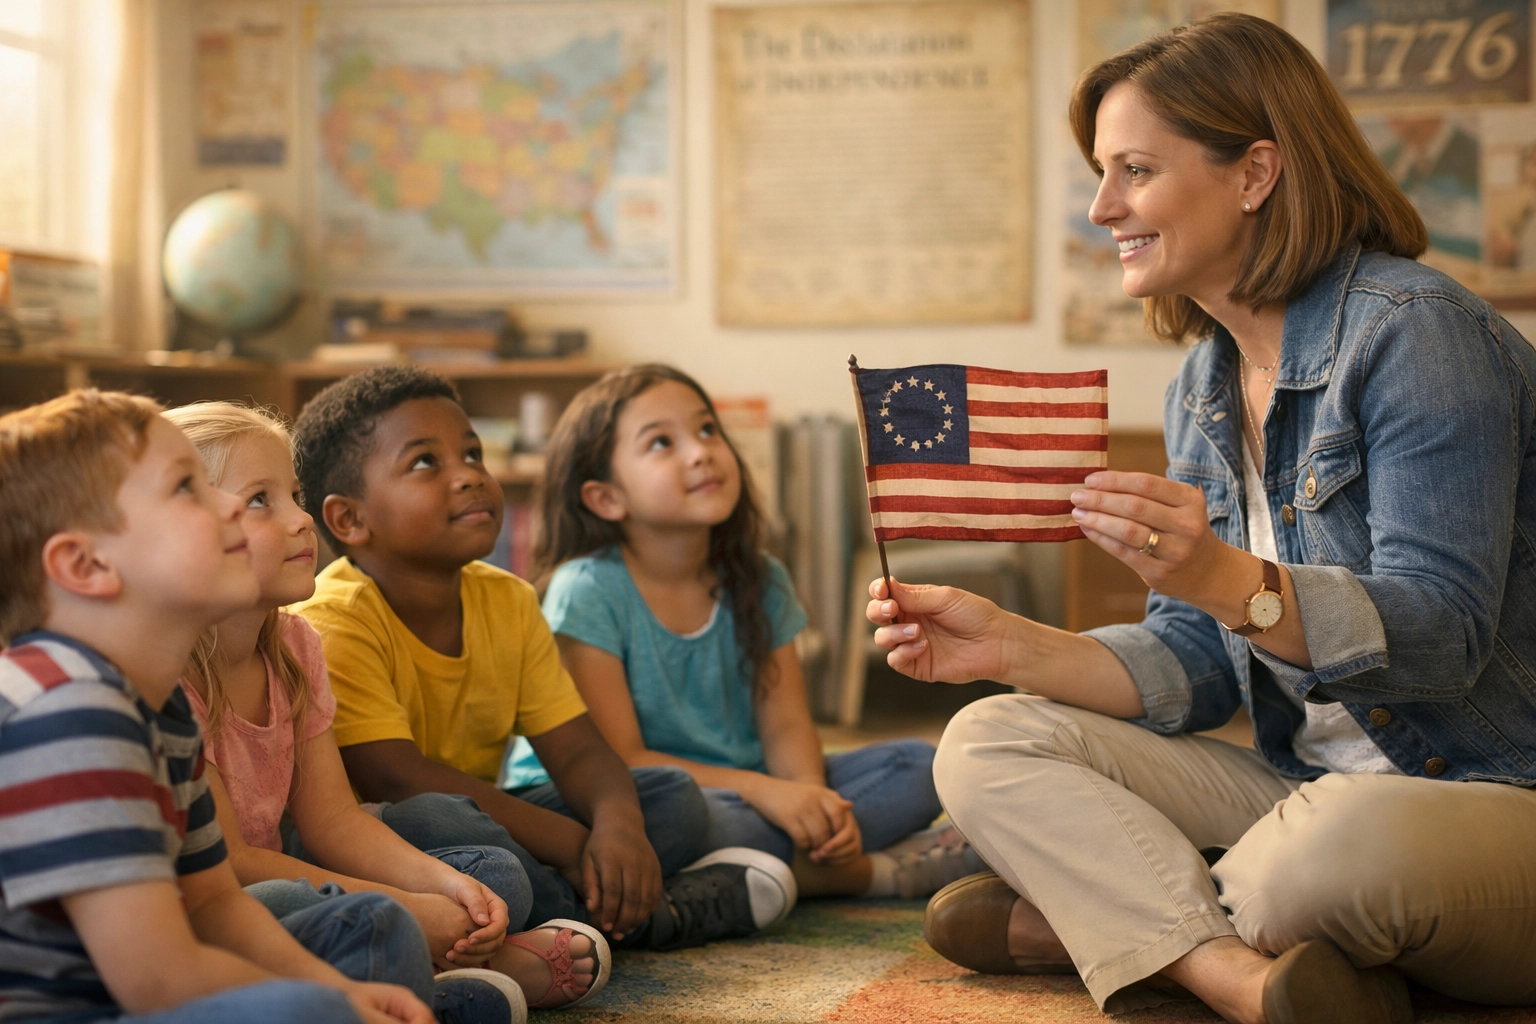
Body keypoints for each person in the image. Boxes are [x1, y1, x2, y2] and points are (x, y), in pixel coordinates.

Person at [868, 15, 1536, 1024]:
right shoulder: (1204, 384)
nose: (1102, 208)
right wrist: (1007, 644)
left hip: (1489, 795)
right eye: (1102, 173)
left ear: (1254, 173)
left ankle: (1100, 920)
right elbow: (1194, 660)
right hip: (1301, 790)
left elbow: (1445, 637)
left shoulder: (1416, 334)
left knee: (1309, 866)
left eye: (1133, 169)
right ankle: (1243, 976)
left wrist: (1229, 579)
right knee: (984, 741)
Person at [0, 390, 474, 1024]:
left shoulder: (159, 701)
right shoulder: (68, 712)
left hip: (138, 987)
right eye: (187, 489)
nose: (229, 506)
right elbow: (158, 981)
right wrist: (326, 1004)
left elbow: (214, 904)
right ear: (87, 564)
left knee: (351, 952)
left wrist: (335, 992)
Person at [289, 366, 795, 954]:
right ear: (350, 519)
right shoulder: (333, 618)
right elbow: (395, 778)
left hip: (495, 821)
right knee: (452, 829)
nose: (469, 477)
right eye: (426, 462)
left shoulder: (508, 598)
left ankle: (580, 915)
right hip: (395, 840)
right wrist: (575, 842)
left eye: (473, 454)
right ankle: (653, 915)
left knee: (671, 799)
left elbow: (579, 749)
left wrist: (618, 827)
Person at [164, 400, 609, 1012]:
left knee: (491, 877)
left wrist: (446, 887)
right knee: (313, 910)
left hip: (297, 867)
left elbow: (334, 822)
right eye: (261, 500)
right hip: (217, 903)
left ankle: (431, 961)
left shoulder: (296, 647)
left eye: (294, 495)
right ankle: (443, 981)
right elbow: (233, 865)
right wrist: (402, 904)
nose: (301, 521)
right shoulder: (171, 678)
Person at [504, 364, 980, 900]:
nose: (700, 451)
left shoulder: (760, 577)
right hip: (624, 798)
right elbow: (620, 760)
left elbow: (785, 727)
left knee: (917, 766)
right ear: (606, 498)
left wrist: (811, 803)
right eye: (661, 442)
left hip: (743, 793)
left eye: (707, 429)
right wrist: (769, 795)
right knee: (680, 813)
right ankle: (865, 874)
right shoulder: (587, 589)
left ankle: (766, 870)